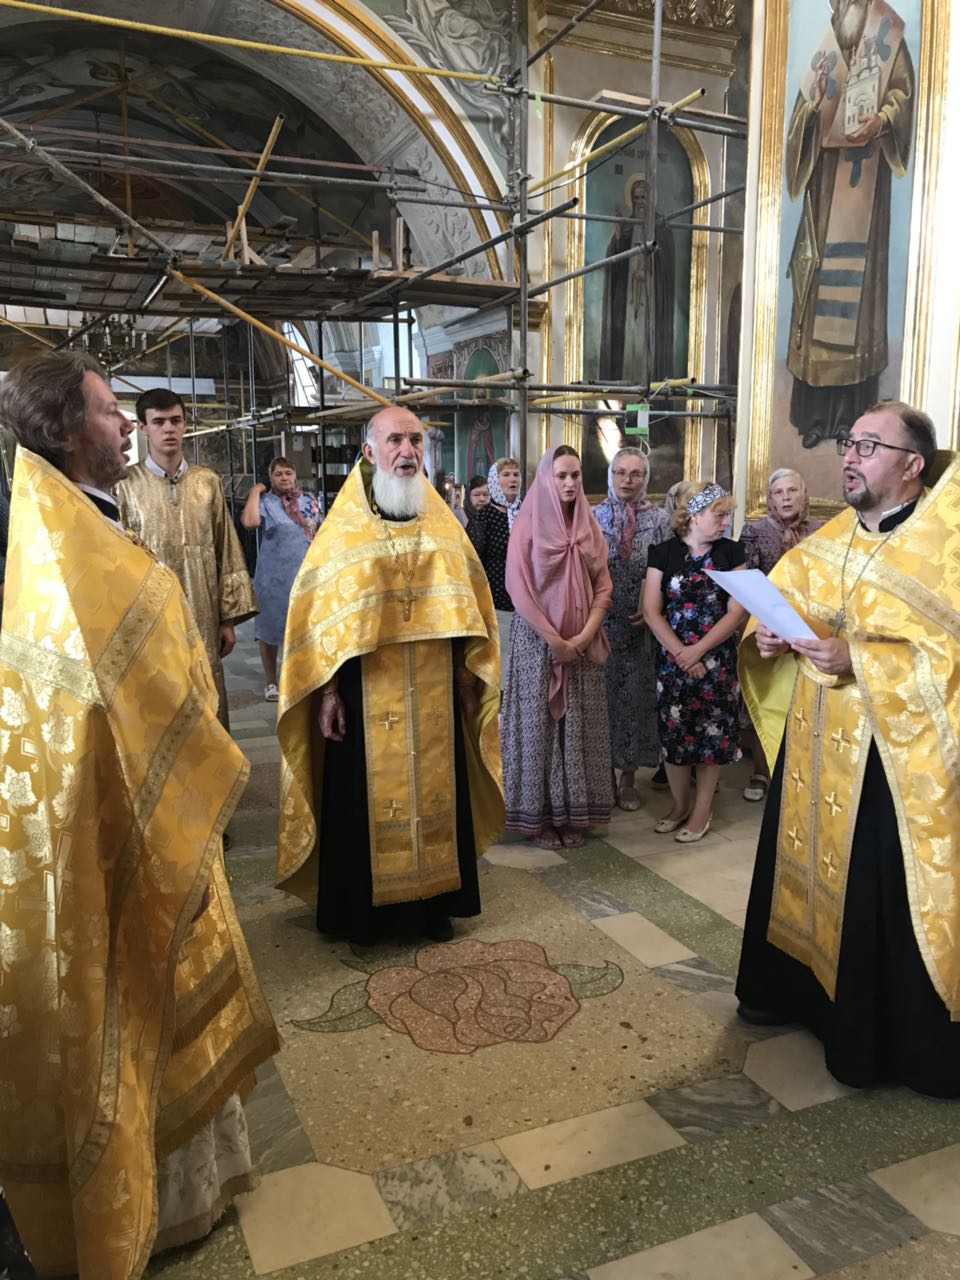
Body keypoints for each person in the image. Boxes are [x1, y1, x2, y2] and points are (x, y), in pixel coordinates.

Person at [0, 352, 278, 1279]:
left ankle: (186, 1183)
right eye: (111, 410)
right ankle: (149, 1197)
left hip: (154, 803)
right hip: (127, 818)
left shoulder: (73, 520)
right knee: (130, 995)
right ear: (63, 430)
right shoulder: (63, 542)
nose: (126, 423)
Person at [737, 401, 960, 1097]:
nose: (851, 456)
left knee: (872, 887)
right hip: (815, 749)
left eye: (869, 445)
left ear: (912, 464)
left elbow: (949, 658)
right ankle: (794, 992)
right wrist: (769, 637)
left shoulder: (948, 544)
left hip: (891, 766)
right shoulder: (834, 536)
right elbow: (789, 606)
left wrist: (859, 658)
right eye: (850, 443)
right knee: (802, 862)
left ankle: (877, 1039)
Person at [275, 405, 503, 947]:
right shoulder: (343, 531)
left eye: (416, 441)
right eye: (395, 440)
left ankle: (435, 906)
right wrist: (328, 692)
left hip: (435, 689)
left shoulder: (443, 525)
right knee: (363, 801)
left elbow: (469, 604)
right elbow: (321, 619)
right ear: (369, 452)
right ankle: (364, 916)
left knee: (438, 795)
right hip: (363, 691)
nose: (407, 451)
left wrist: (467, 678)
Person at [785, 0, 914, 448]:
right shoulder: (826, 49)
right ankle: (815, 418)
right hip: (824, 194)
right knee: (819, 292)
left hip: (865, 195)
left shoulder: (888, 38)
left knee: (855, 310)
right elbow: (801, 118)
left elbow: (902, 97)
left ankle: (850, 422)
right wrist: (814, 104)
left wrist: (881, 120)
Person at [117, 388, 257, 729]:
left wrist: (227, 619)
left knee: (206, 694)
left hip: (202, 612)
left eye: (175, 420)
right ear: (142, 427)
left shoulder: (207, 482)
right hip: (150, 615)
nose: (168, 429)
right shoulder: (125, 485)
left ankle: (215, 764)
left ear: (185, 425)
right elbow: (117, 557)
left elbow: (227, 548)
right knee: (158, 696)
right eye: (159, 422)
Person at [501, 446, 613, 849]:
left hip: (582, 644)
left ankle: (572, 814)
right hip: (537, 645)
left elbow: (603, 587)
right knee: (541, 729)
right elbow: (518, 588)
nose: (569, 483)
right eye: (561, 475)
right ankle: (542, 818)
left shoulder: (588, 525)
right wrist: (555, 640)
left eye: (575, 475)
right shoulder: (528, 522)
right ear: (547, 479)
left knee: (577, 727)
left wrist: (581, 638)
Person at [643, 483, 747, 842]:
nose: (725, 521)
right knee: (674, 737)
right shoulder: (663, 552)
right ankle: (679, 805)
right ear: (695, 515)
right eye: (719, 514)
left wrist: (698, 651)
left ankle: (701, 810)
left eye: (727, 515)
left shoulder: (732, 552)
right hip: (673, 661)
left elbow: (736, 611)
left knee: (711, 738)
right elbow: (651, 611)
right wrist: (682, 654)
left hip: (717, 660)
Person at [739, 468, 824, 801]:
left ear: (804, 494)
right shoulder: (755, 531)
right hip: (768, 630)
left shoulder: (821, 530)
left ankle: (800, 775)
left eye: (792, 491)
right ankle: (761, 771)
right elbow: (747, 584)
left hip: (810, 630)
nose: (786, 498)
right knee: (769, 698)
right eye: (778, 492)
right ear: (770, 498)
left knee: (805, 703)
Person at [593, 447, 670, 810]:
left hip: (641, 627)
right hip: (600, 624)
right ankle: (602, 776)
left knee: (634, 701)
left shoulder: (660, 519)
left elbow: (668, 567)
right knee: (602, 700)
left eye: (635, 474)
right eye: (620, 472)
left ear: (645, 479)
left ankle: (627, 778)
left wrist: (654, 604)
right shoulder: (592, 516)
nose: (627, 480)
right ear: (611, 475)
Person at [241, 456, 322, 701]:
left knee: (303, 628)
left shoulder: (308, 501)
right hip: (273, 578)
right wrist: (256, 491)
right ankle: (271, 682)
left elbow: (320, 530)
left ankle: (299, 677)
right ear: (271, 478)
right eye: (278, 474)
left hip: (304, 576)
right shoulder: (267, 502)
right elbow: (249, 522)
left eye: (288, 473)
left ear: (295, 475)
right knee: (270, 630)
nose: (284, 478)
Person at [599, 174, 676, 383]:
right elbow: (614, 263)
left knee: (646, 344)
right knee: (627, 342)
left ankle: (647, 384)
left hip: (651, 301)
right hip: (628, 300)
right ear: (631, 200)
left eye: (644, 198)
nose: (640, 202)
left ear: (650, 200)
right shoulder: (626, 227)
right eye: (637, 198)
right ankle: (625, 385)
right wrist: (617, 237)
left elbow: (667, 269)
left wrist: (650, 274)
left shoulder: (661, 226)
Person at [468, 456, 522, 685]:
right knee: (502, 675)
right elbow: (473, 566)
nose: (512, 479)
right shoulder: (483, 518)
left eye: (516, 474)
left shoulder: (526, 513)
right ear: (494, 481)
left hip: (528, 608)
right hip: (497, 607)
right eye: (505, 474)